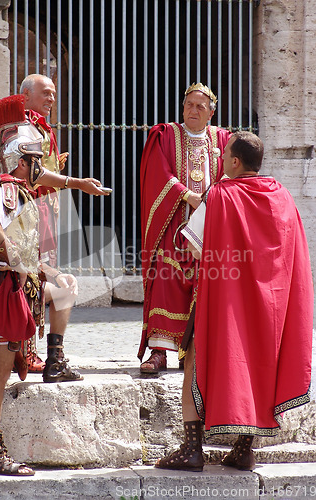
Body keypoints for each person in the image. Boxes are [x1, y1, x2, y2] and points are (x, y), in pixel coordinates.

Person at [0, 94, 108, 475]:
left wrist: (51, 274)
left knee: (4, 364)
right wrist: (14, 257)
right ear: (22, 161)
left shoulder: (18, 190)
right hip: (4, 289)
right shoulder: (6, 188)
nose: (41, 168)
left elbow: (22, 247)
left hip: (18, 286)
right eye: (36, 161)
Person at [156, 131, 313, 471]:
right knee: (260, 370)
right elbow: (292, 255)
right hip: (269, 310)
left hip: (226, 305)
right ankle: (244, 449)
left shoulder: (220, 195)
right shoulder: (283, 197)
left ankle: (192, 449)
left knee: (194, 364)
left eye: (224, 154)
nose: (221, 159)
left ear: (235, 162)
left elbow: (194, 246)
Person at [138, 83, 231, 374]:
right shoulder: (165, 135)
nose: (193, 110)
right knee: (166, 281)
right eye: (188, 104)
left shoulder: (223, 139)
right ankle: (160, 351)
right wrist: (186, 195)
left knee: (206, 287)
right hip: (173, 225)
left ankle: (195, 352)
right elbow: (157, 172)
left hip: (209, 225)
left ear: (211, 112)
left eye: (200, 106)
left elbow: (232, 174)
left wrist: (213, 201)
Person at [11, 73, 83, 383]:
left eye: (54, 93)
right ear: (25, 96)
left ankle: (39, 353)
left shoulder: (41, 127)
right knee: (28, 280)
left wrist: (56, 167)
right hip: (26, 211)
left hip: (44, 211)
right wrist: (73, 181)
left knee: (45, 276)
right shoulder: (21, 127)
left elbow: (42, 170)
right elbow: (34, 174)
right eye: (46, 93)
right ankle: (24, 351)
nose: (51, 99)